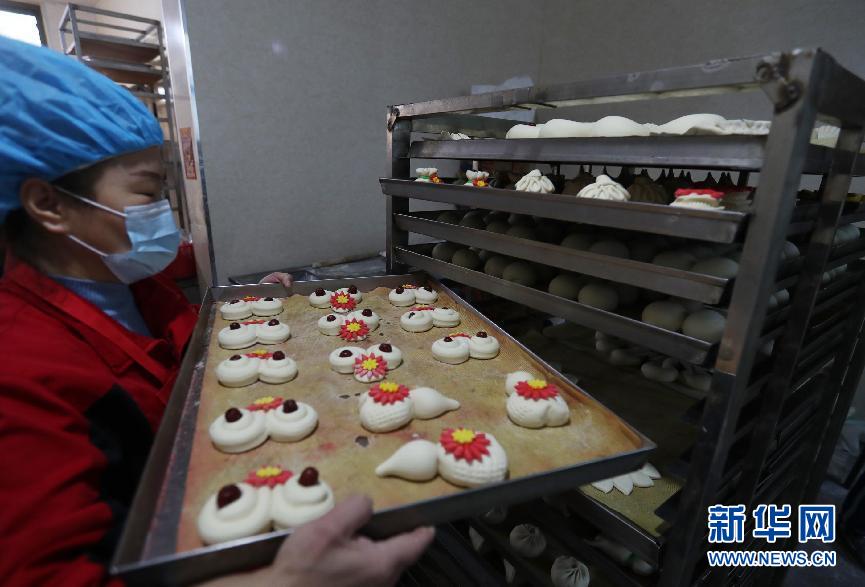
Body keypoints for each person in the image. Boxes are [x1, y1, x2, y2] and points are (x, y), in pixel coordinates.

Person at [0, 36, 432, 586]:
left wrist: (253, 306)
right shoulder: (17, 368)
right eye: (147, 193)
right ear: (48, 205)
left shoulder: (133, 284)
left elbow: (189, 351)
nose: (161, 212)